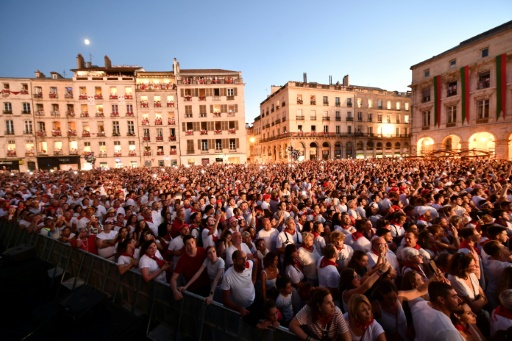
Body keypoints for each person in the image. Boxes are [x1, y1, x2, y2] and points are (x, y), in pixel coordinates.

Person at [221, 250, 258, 325]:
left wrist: (254, 279)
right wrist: (239, 309)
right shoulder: (227, 276)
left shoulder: (248, 264)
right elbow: (225, 301)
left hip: (253, 303)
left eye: (245, 258)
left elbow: (256, 261)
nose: (245, 261)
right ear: (234, 260)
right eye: (241, 259)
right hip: (239, 310)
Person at [171, 235, 210, 300]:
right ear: (185, 246)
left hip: (206, 285)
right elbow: (173, 278)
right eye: (188, 244)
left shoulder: (203, 251)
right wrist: (175, 291)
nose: (191, 245)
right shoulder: (183, 259)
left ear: (195, 242)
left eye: (192, 242)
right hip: (193, 289)